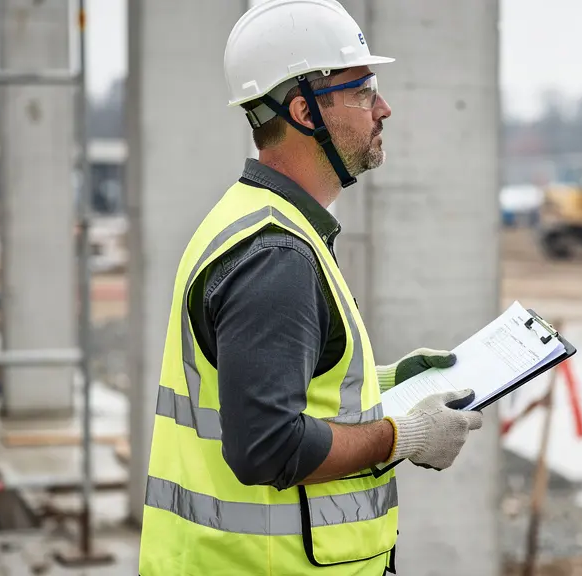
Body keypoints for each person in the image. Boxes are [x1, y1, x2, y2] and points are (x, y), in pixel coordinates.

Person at [136, 1, 484, 574]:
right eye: (364, 91)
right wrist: (405, 435)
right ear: (304, 110)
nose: (384, 109)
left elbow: (261, 387)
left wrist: (386, 383)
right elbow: (268, 446)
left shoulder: (256, 220)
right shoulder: (276, 256)